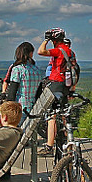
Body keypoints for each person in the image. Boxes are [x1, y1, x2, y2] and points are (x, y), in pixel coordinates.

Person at [36, 28, 72, 156]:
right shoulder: (70, 52)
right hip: (65, 87)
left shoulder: (58, 50)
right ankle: (68, 142)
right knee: (64, 115)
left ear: (54, 39)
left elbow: (40, 51)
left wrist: (46, 40)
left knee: (52, 116)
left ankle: (49, 146)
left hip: (55, 84)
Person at [2, 42, 44, 125]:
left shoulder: (17, 69)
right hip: (33, 107)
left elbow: (13, 91)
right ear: (30, 54)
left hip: (20, 107)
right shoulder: (37, 70)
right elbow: (38, 92)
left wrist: (8, 106)